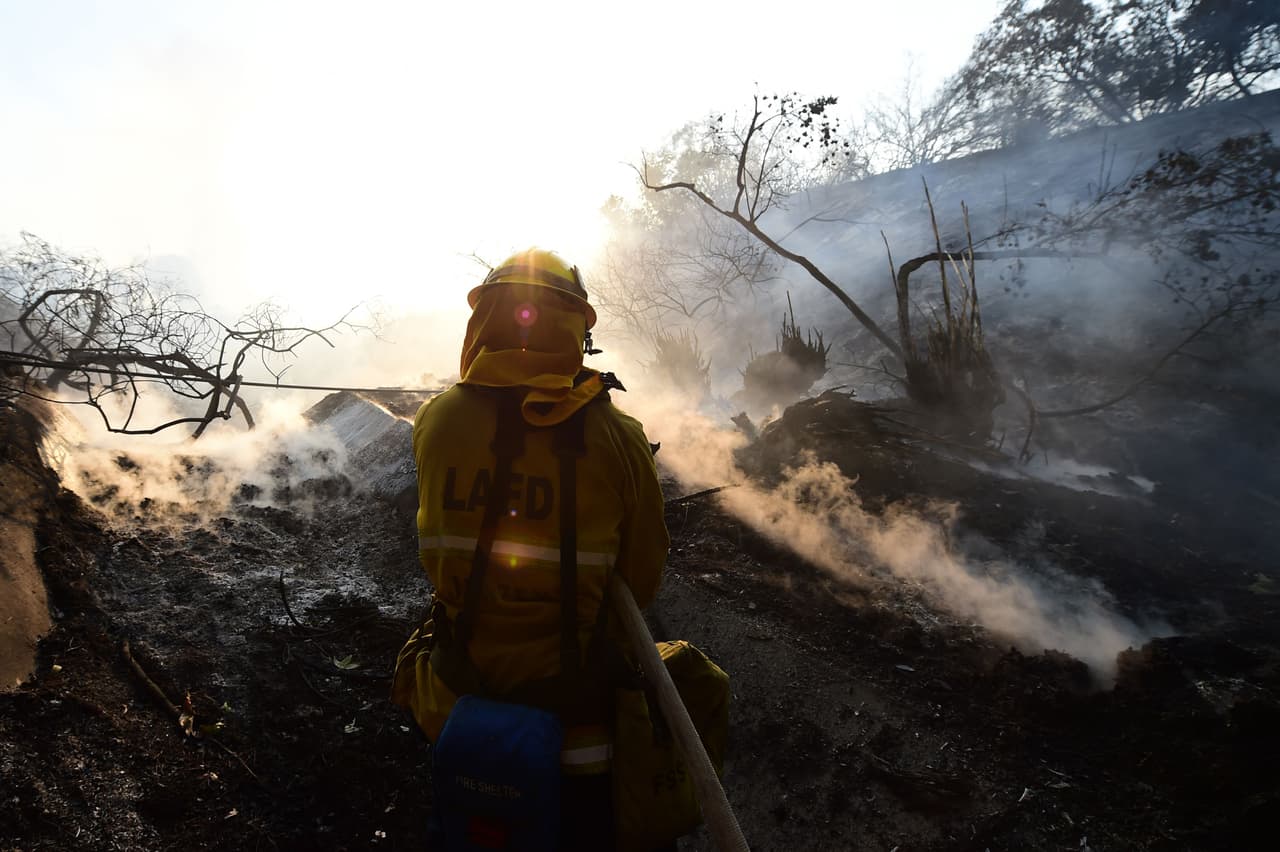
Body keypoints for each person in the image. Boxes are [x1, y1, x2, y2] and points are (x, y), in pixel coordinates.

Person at [391, 248, 671, 850]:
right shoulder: (617, 435)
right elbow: (643, 578)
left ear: (482, 320)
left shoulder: (437, 422)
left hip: (456, 711)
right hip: (577, 735)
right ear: (576, 327)